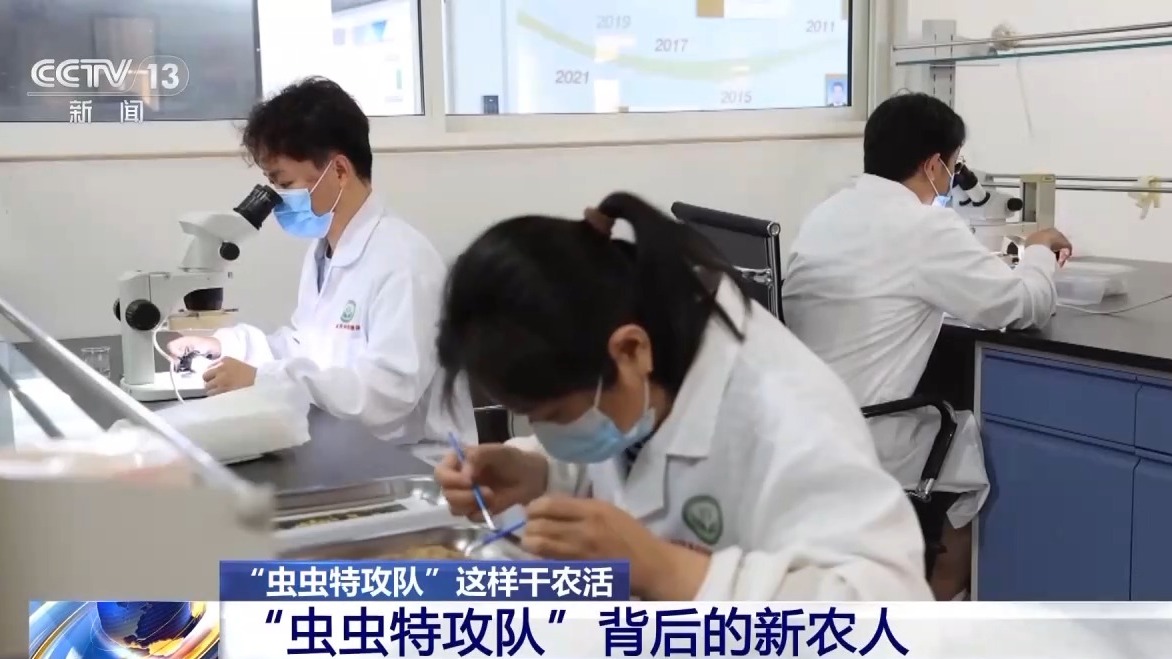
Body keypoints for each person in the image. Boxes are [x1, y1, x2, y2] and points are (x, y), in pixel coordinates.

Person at [432, 192, 933, 601]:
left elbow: (891, 608)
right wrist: (541, 472)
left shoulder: (786, 413)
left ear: (631, 350)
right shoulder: (640, 349)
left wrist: (669, 571)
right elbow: (631, 467)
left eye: (555, 416)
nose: (548, 434)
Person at [781, 92, 1072, 600]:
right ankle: (942, 598)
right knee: (966, 446)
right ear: (934, 166)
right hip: (865, 430)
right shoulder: (924, 226)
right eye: (954, 166)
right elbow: (1022, 304)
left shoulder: (829, 211)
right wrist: (1038, 254)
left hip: (802, 421)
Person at [167, 77, 476, 445]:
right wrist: (227, 347)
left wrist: (265, 380)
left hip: (414, 463)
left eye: (284, 183)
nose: (276, 198)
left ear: (340, 171)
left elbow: (386, 397)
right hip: (347, 447)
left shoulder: (404, 263)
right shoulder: (325, 252)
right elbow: (307, 349)